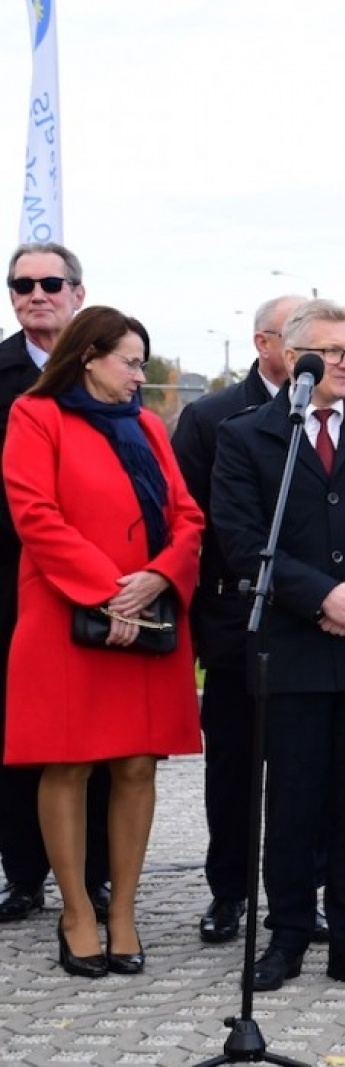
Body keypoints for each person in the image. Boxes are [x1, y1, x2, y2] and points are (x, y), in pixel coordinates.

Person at [209, 299, 345, 994]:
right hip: (293, 643)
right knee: (295, 794)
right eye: (331, 352)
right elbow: (242, 539)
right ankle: (288, 932)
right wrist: (317, 596)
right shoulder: (247, 435)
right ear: (297, 357)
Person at [2, 306, 204, 977]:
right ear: (89, 355)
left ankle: (124, 911)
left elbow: (186, 516)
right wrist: (103, 589)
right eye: (129, 361)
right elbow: (36, 515)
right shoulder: (36, 416)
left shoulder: (148, 425)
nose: (138, 376)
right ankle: (76, 910)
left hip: (147, 616)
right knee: (68, 762)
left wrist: (156, 578)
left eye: (143, 362)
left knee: (137, 765)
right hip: (66, 618)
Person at [171, 294, 312, 946]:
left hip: (311, 614)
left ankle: (298, 894)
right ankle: (229, 890)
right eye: (298, 334)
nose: (313, 348)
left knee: (301, 765)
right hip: (237, 611)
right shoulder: (210, 417)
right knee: (233, 763)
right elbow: (192, 519)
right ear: (264, 343)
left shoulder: (334, 411)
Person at [0, 243, 112, 926]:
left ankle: (97, 874)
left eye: (49, 282)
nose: (35, 293)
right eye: (21, 284)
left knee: (100, 735)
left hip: (102, 581)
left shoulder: (107, 371)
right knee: (21, 735)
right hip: (12, 586)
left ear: (76, 290)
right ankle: (23, 873)